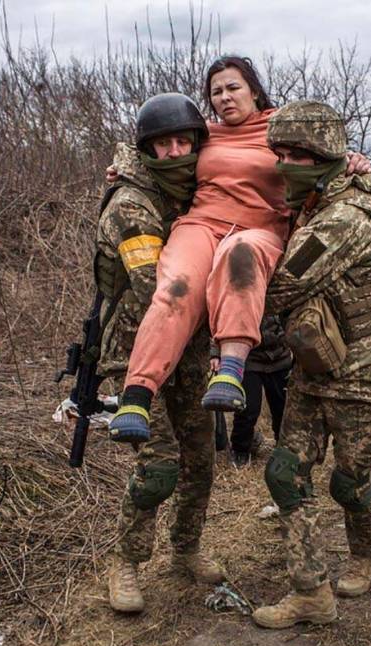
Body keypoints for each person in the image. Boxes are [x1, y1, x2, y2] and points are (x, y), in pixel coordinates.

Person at [252, 101, 371, 629]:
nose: (285, 163)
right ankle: (312, 592)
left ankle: (364, 554)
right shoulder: (321, 197)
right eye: (280, 153)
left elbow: (281, 286)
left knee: (349, 480)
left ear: (325, 155)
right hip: (314, 369)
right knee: (284, 474)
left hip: (364, 376)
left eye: (298, 154)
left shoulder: (344, 218)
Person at [106, 56, 288, 443]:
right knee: (176, 287)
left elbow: (326, 155)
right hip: (201, 223)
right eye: (215, 91)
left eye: (233, 87)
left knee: (239, 253)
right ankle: (136, 394)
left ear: (253, 90)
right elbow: (155, 146)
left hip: (260, 227)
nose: (224, 97)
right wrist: (124, 167)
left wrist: (354, 162)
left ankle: (231, 368)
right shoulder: (206, 133)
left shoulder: (282, 129)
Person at [97, 93, 225, 614]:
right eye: (162, 145)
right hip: (137, 359)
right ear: (146, 149)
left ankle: (186, 547)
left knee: (201, 461)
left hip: (191, 354)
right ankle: (125, 561)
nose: (175, 153)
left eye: (183, 142)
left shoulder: (198, 190)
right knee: (160, 468)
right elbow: (159, 288)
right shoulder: (132, 204)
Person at [225, 315, 292, 466]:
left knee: (282, 407)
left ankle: (283, 447)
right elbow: (224, 320)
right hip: (249, 358)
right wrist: (216, 354)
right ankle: (240, 451)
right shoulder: (238, 293)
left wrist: (284, 336)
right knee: (248, 409)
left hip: (280, 358)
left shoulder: (278, 292)